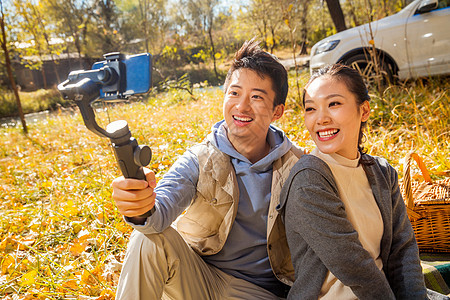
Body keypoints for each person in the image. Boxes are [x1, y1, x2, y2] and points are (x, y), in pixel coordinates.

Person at [111, 39, 303, 300]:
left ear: (277, 111)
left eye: (256, 97)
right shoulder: (200, 158)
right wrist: (140, 206)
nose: (241, 106)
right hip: (198, 280)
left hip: (259, 293)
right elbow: (158, 213)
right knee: (149, 240)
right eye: (234, 93)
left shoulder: (299, 167)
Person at [278, 64, 429, 299]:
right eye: (310, 109)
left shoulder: (382, 172)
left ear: (364, 110)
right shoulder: (309, 180)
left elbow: (403, 249)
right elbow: (355, 268)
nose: (321, 118)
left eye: (334, 104)